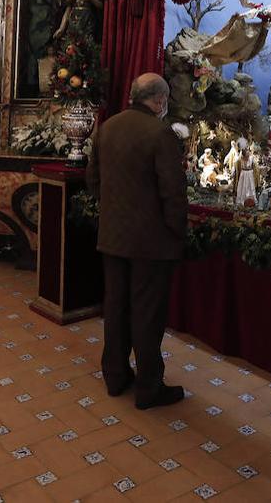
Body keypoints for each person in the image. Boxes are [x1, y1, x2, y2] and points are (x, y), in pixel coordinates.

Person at [85, 73, 189, 410]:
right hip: (151, 244)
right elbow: (173, 193)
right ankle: (149, 387)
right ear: (159, 100)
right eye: (166, 101)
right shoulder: (161, 134)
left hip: (113, 237)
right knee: (147, 314)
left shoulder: (108, 127)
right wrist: (177, 232)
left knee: (115, 309)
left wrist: (114, 213)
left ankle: (115, 376)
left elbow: (93, 181)